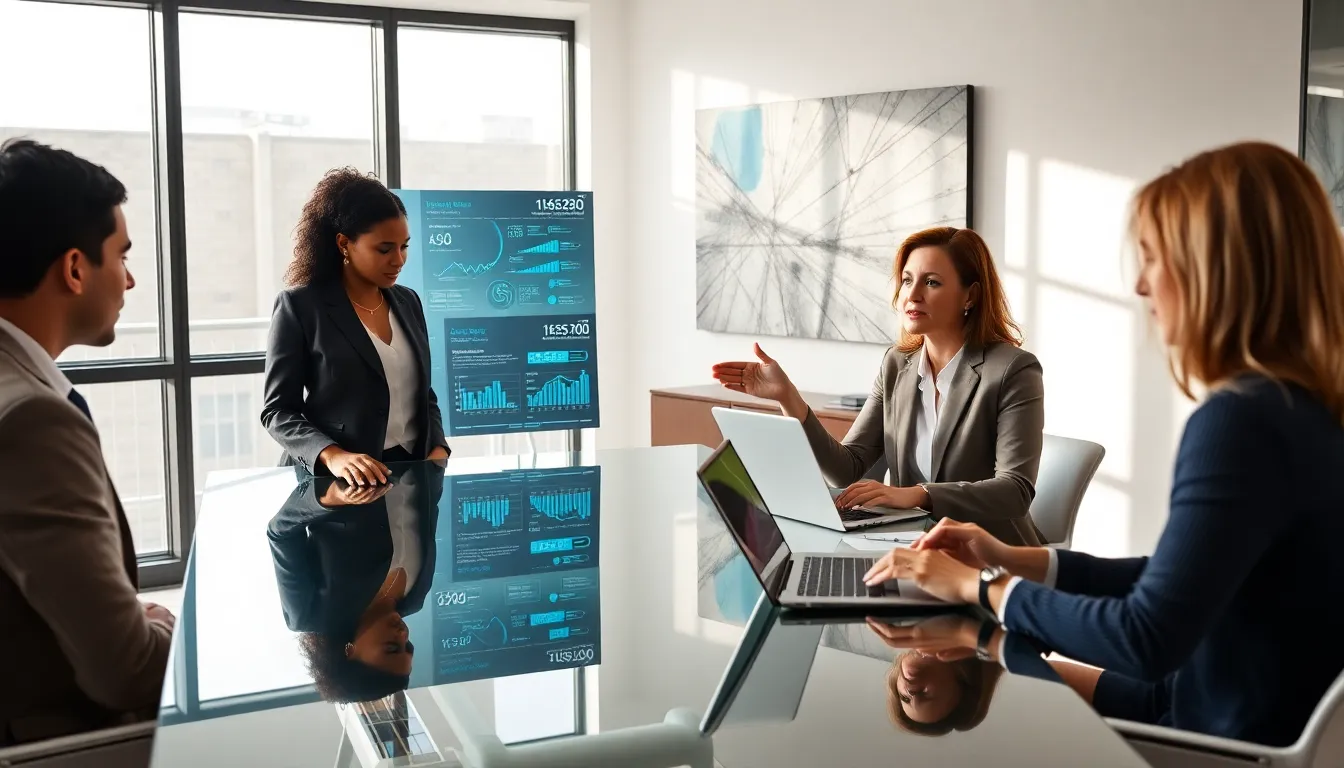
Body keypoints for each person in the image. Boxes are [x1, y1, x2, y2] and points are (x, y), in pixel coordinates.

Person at [863, 141, 1344, 747]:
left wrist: (980, 588)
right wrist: (1013, 564)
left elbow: (1143, 639)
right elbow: (1174, 584)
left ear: (1219, 268)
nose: (1142, 285)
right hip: (1207, 708)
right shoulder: (1308, 409)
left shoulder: (1240, 422)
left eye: (1153, 257)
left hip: (1212, 747)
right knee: (996, 670)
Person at [712, 226, 1045, 545]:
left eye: (931, 282)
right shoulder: (896, 364)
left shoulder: (1013, 370)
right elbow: (847, 468)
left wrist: (918, 494)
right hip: (911, 546)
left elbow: (1014, 492)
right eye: (906, 280)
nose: (911, 296)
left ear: (969, 296)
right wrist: (788, 397)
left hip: (992, 557)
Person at [0, 139, 174, 744]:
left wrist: (126, 619)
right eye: (121, 256)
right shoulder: (33, 419)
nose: (128, 280)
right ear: (75, 269)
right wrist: (178, 631)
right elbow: (125, 672)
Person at [262, 168, 450, 486]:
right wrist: (333, 455)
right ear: (344, 244)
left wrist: (437, 446)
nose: (399, 260)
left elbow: (423, 393)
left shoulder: (408, 302)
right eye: (384, 248)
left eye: (404, 246)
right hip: (338, 485)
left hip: (413, 479)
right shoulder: (301, 306)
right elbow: (278, 411)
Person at [268, 461, 443, 703]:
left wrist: (329, 496)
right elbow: (427, 514)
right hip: (413, 445)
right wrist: (436, 464)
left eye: (392, 647)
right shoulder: (416, 597)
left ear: (349, 651)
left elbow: (281, 532)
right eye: (408, 647)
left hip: (345, 447)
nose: (403, 635)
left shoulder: (310, 613)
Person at [866, 614, 1004, 736]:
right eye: (924, 695)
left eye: (905, 698)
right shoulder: (998, 623)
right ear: (964, 676)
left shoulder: (892, 619)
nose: (910, 691)